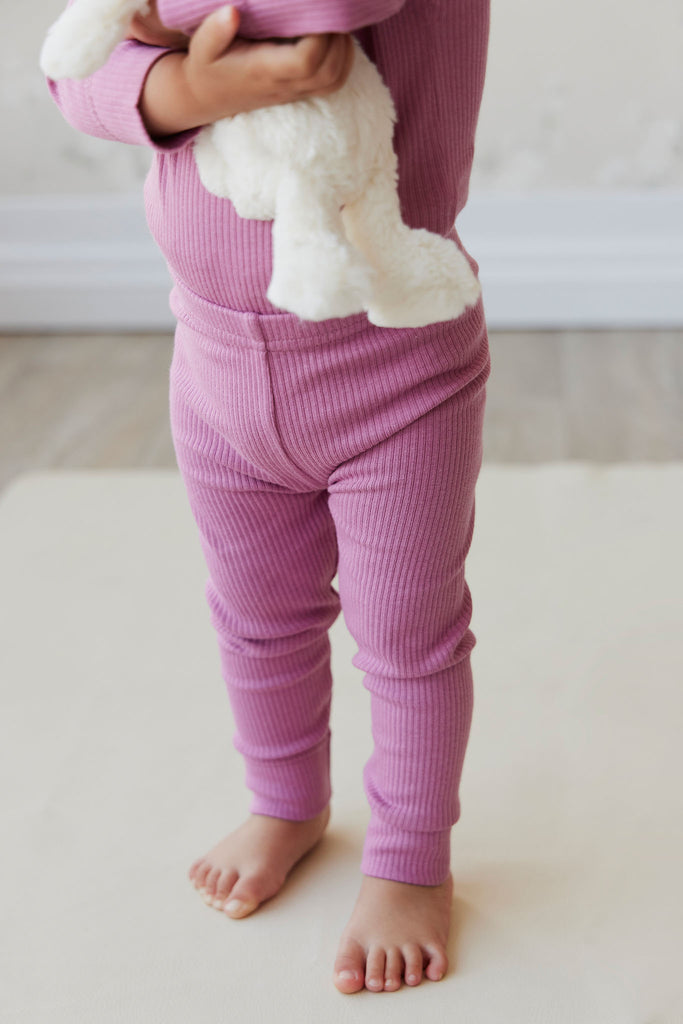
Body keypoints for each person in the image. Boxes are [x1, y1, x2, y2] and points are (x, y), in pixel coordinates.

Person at [46, 0, 491, 995]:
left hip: (392, 370)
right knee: (255, 616)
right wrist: (183, 83)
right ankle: (286, 800)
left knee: (407, 636)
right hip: (213, 360)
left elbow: (324, 15)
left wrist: (157, 18)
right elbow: (73, 71)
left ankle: (410, 856)